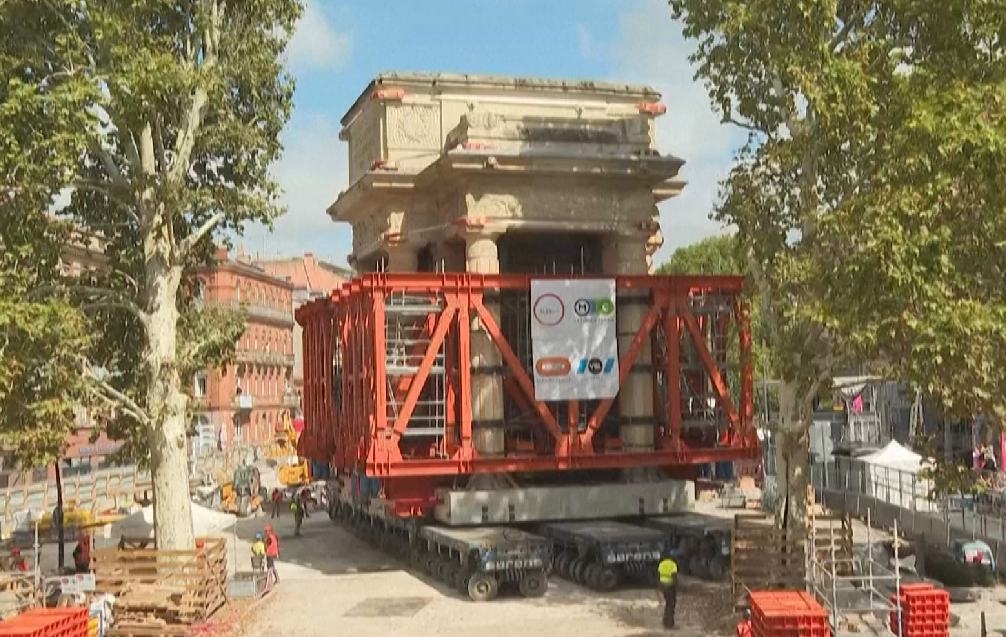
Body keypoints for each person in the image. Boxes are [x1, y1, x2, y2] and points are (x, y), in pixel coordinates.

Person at [657, 553, 678, 629]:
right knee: (671, 605)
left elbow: (659, 576)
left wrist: (660, 587)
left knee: (668, 604)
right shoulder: (673, 564)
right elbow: (674, 577)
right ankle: (669, 624)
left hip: (663, 586)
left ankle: (665, 621)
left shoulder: (661, 564)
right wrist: (676, 587)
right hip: (670, 586)